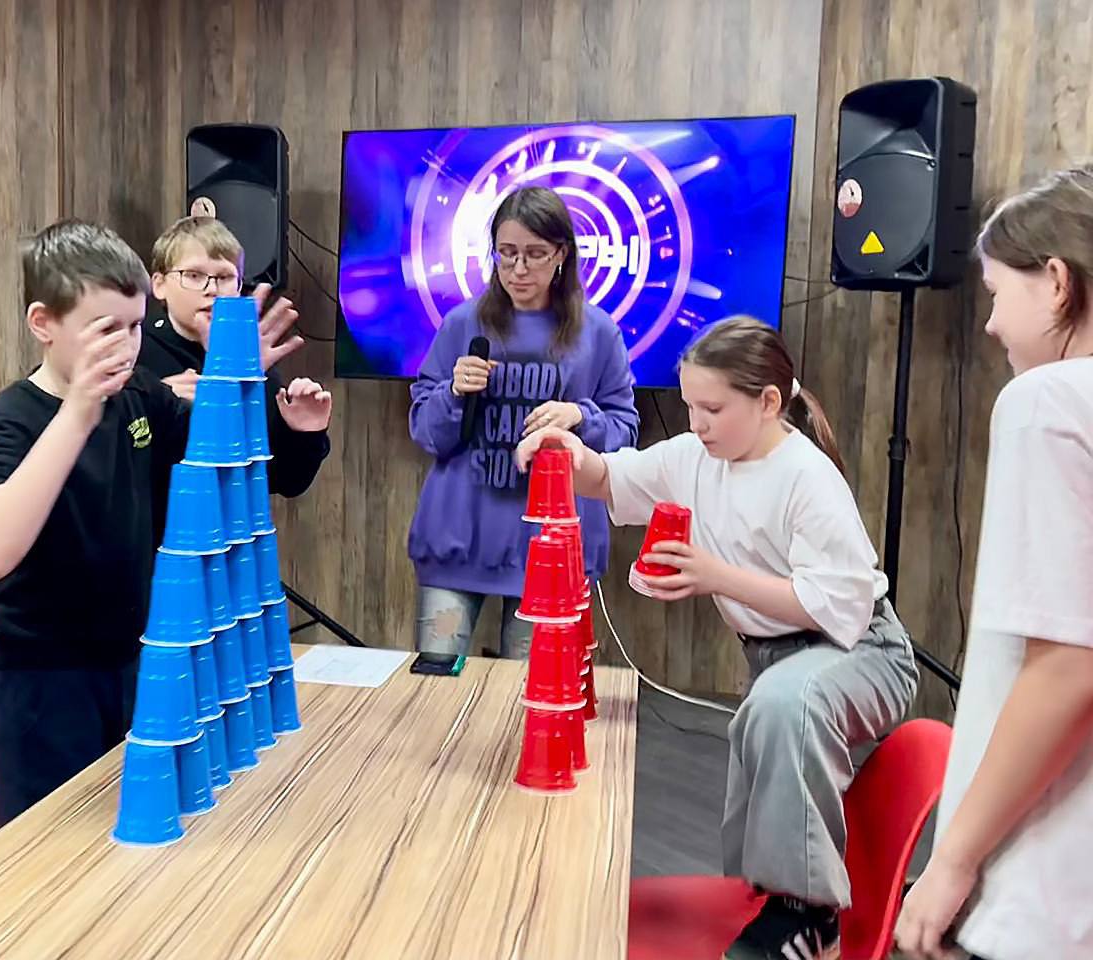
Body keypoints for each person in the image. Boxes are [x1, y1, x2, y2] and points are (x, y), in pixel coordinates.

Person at [517, 316, 918, 960]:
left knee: (784, 706)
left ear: (768, 402)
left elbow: (835, 605)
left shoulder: (807, 476)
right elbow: (609, 479)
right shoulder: (694, 457)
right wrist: (566, 452)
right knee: (765, 726)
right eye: (689, 407)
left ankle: (809, 915)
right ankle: (769, 900)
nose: (697, 423)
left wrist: (714, 576)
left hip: (861, 650)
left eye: (712, 409)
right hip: (779, 658)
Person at [896, 167, 1093, 960]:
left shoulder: (1048, 403)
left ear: (1058, 283)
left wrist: (953, 860)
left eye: (995, 294)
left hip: (1045, 892)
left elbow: (1068, 666)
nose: (989, 324)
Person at [0, 220, 190, 826]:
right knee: (47, 858)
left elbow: (235, 460)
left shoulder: (140, 398)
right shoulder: (13, 418)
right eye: (106, 329)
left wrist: (287, 419)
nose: (128, 345)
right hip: (42, 686)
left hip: (130, 668)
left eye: (136, 327)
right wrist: (79, 413)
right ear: (43, 324)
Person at [408, 186, 638, 659]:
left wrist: (580, 415)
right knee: (437, 679)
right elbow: (425, 432)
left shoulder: (598, 332)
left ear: (562, 254)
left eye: (534, 254)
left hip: (550, 551)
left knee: (532, 692)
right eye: (507, 253)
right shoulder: (461, 324)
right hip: (457, 541)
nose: (518, 269)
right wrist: (453, 392)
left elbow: (624, 432)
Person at [137, 216, 331, 513]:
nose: (212, 289)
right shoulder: (135, 352)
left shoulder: (250, 360)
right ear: (159, 285)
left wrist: (305, 434)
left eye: (225, 277)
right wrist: (153, 404)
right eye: (193, 275)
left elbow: (285, 481)